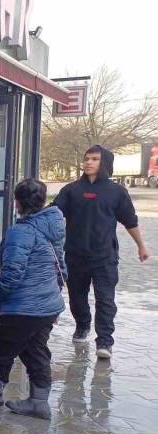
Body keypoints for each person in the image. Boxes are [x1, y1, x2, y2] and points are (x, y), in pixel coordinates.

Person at [0, 179, 66, 420]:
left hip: (24, 307)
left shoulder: (21, 231)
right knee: (35, 349)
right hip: (47, 304)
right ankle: (39, 401)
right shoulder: (53, 225)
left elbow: (12, 273)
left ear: (17, 202)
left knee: (1, 347)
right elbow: (61, 263)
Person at [53, 145, 150, 359]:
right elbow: (53, 213)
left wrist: (141, 246)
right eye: (87, 158)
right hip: (75, 254)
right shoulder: (71, 190)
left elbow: (130, 221)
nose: (88, 162)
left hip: (104, 256)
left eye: (94, 159)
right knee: (77, 297)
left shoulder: (116, 192)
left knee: (105, 299)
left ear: (104, 162)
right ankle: (82, 325)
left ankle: (105, 341)